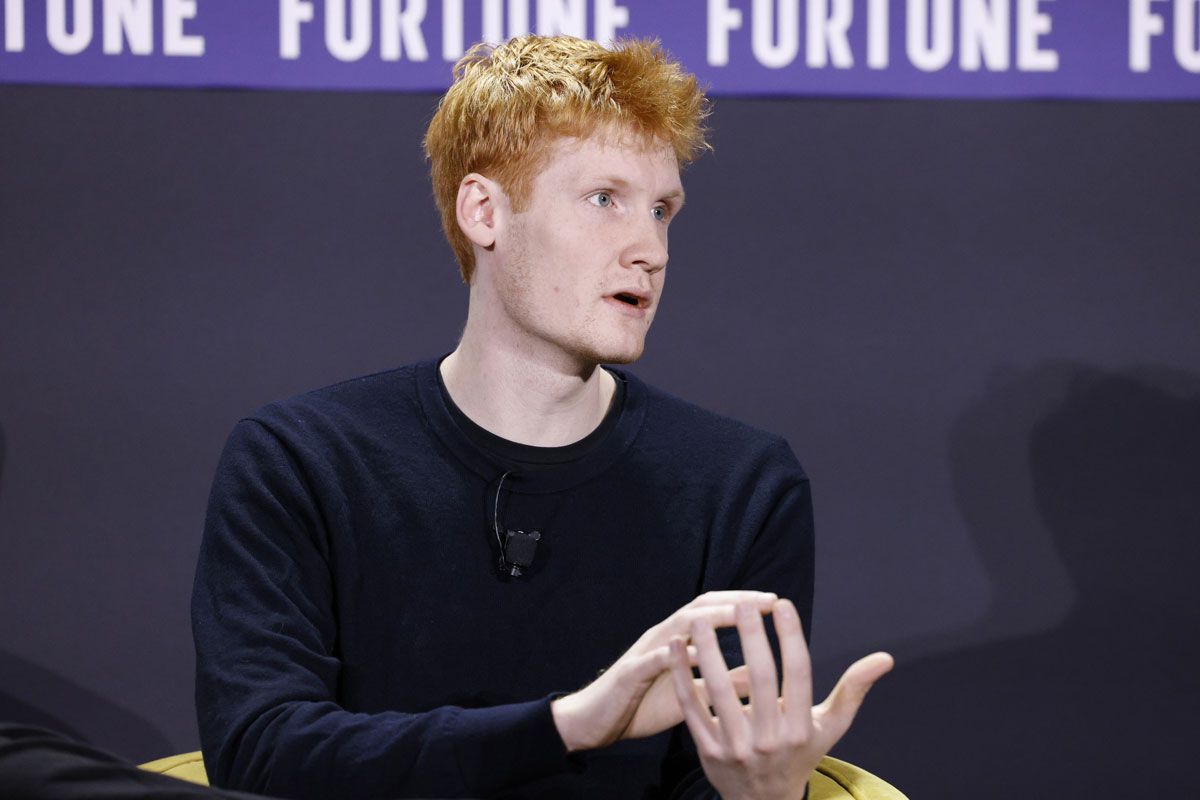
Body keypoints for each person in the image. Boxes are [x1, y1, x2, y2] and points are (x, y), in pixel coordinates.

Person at [192, 35, 892, 800]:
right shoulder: (300, 460)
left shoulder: (743, 486)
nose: (650, 249)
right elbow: (259, 753)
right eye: (604, 200)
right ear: (484, 211)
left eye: (662, 211)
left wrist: (764, 792)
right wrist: (571, 724)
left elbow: (713, 781)